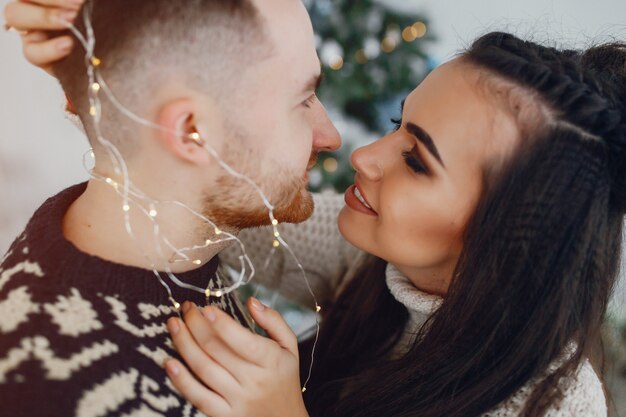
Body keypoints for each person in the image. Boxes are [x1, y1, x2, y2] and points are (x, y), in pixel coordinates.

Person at [160, 34, 625, 417]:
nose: (362, 156)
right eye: (396, 122)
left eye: (416, 161)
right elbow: (205, 205)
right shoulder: (372, 259)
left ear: (516, 233)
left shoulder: (557, 406)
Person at [0, 0, 341, 415]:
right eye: (303, 100)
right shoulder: (45, 388)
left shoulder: (186, 241)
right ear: (191, 131)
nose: (330, 136)